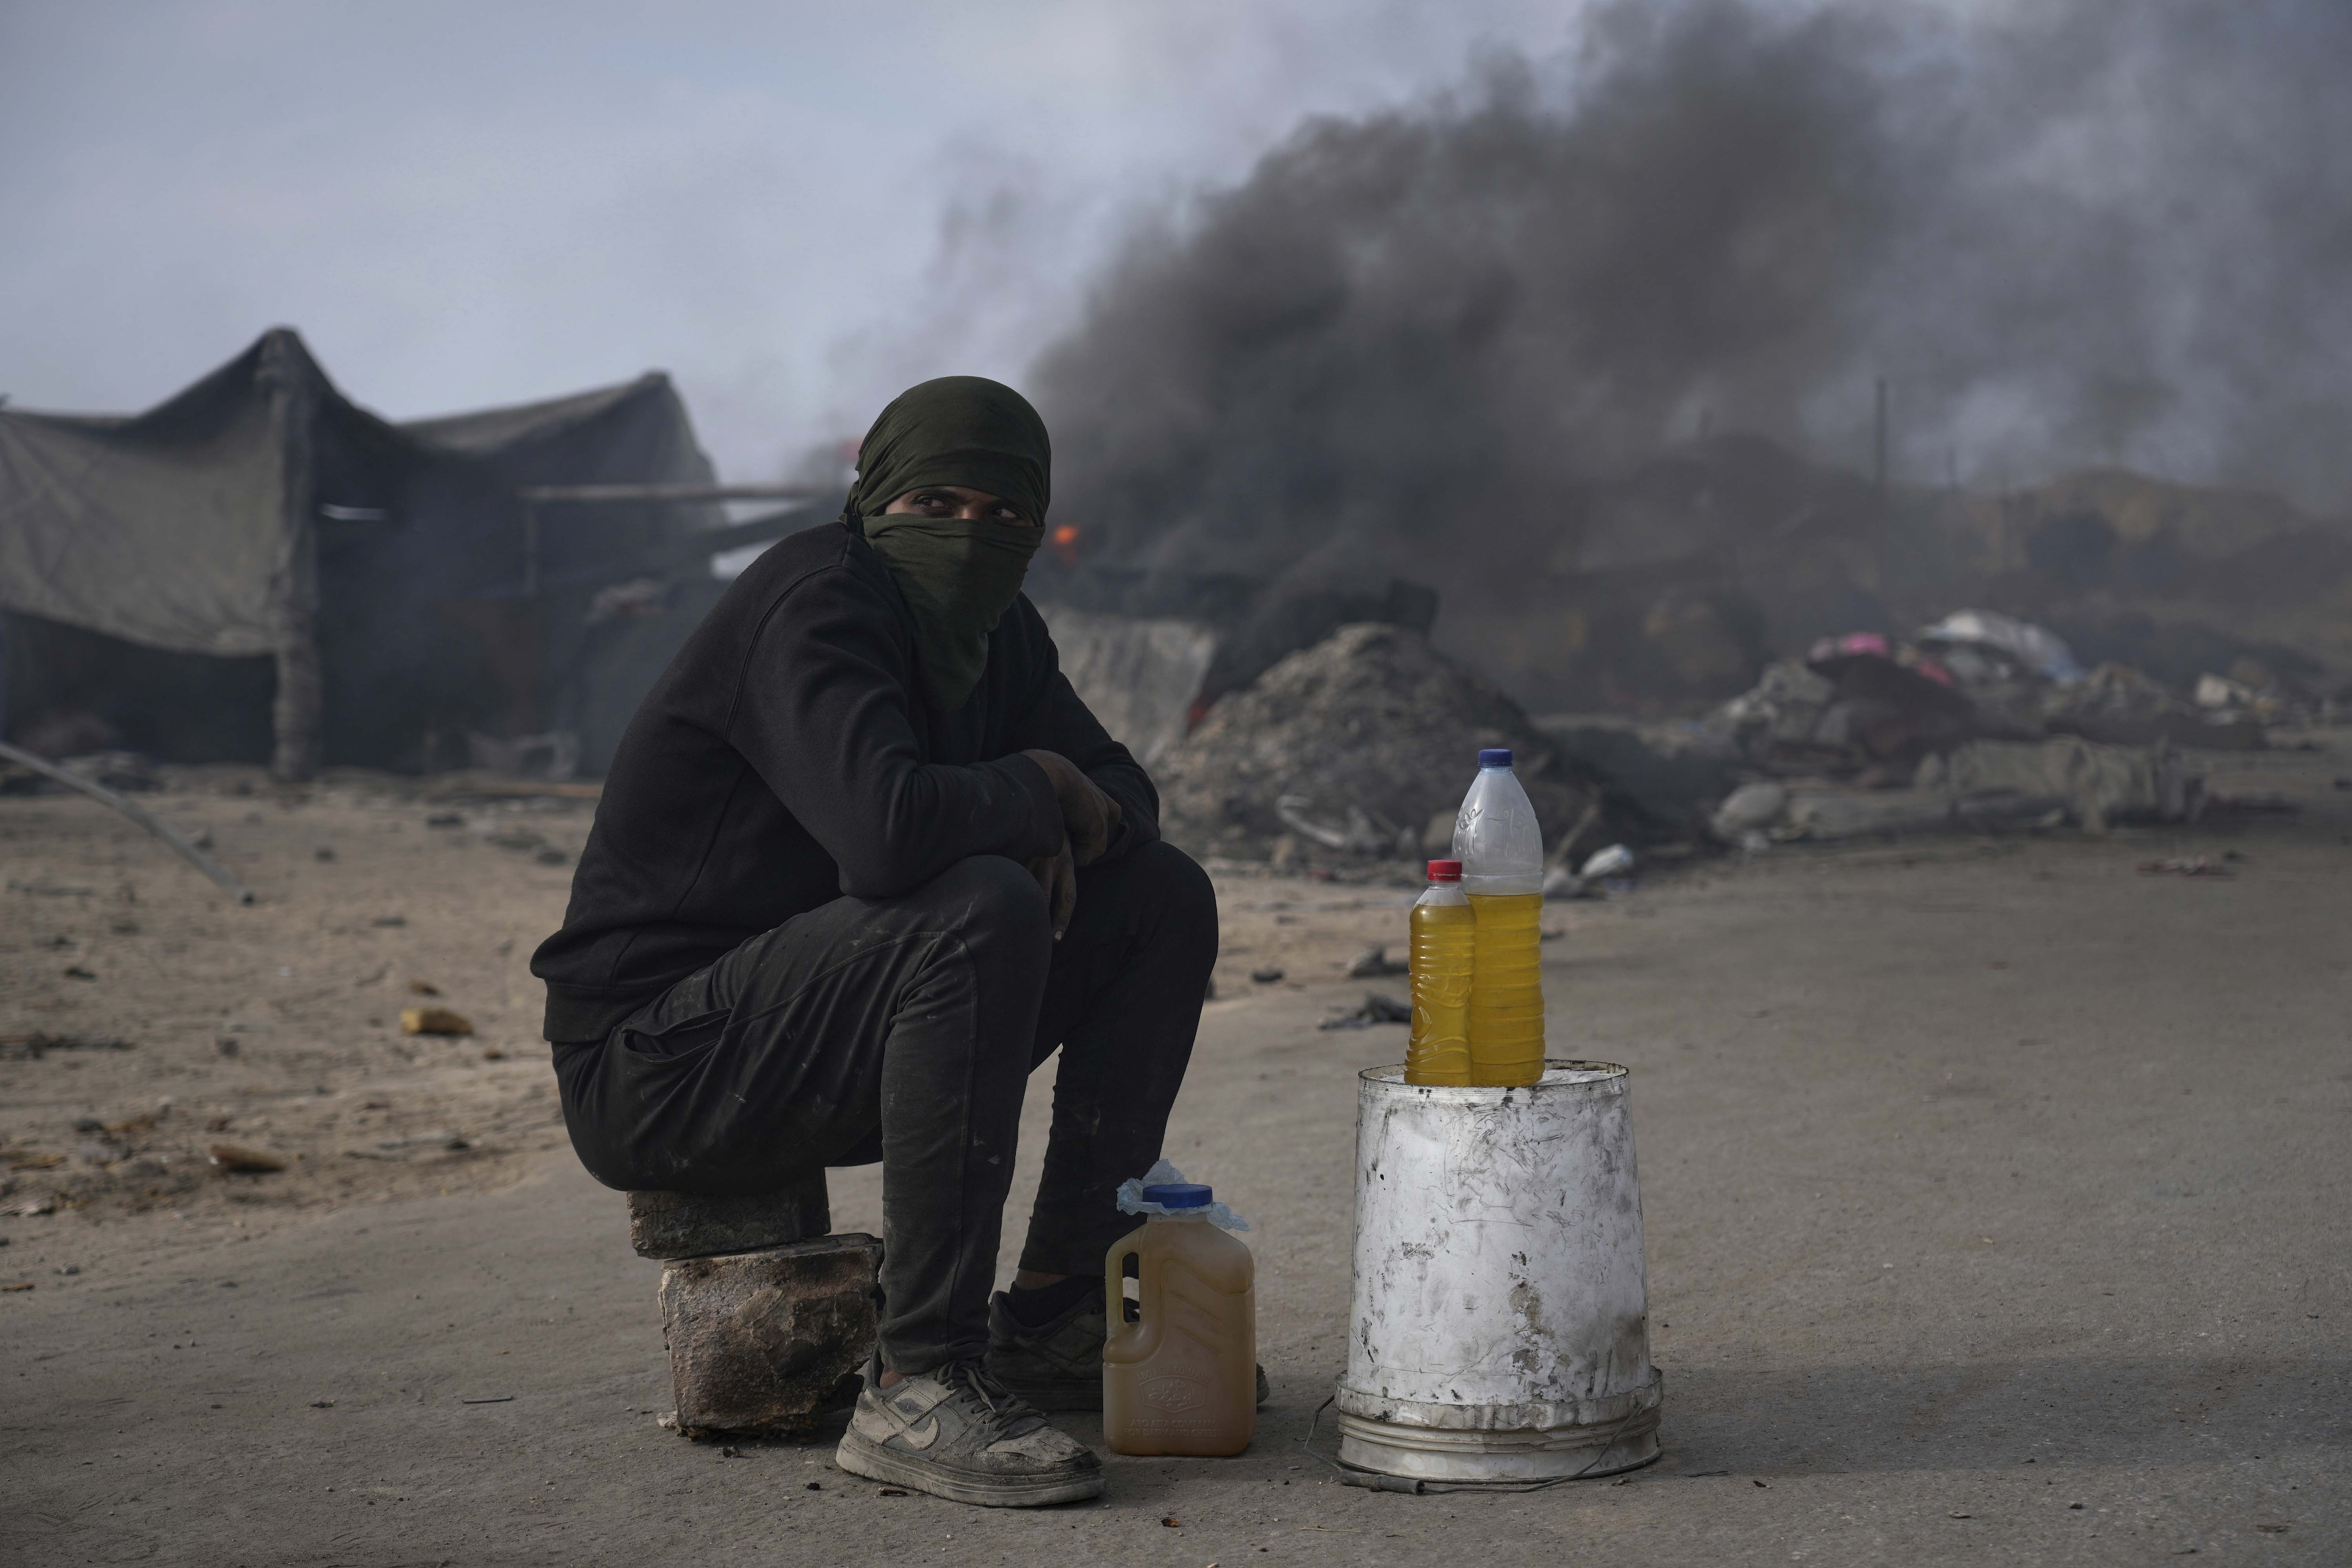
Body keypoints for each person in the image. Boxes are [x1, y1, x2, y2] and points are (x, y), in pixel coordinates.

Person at [530, 376, 1219, 1507]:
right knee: (979, 905)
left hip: (821, 1030)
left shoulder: (998, 635)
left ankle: (1054, 1311)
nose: (967, 535)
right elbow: (882, 832)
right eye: (934, 504)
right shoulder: (814, 600)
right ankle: (919, 1380)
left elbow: (1124, 793)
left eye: (1002, 515)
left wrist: (1057, 803)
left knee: (1161, 896)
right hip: (656, 1063)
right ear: (874, 499)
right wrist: (1035, 789)